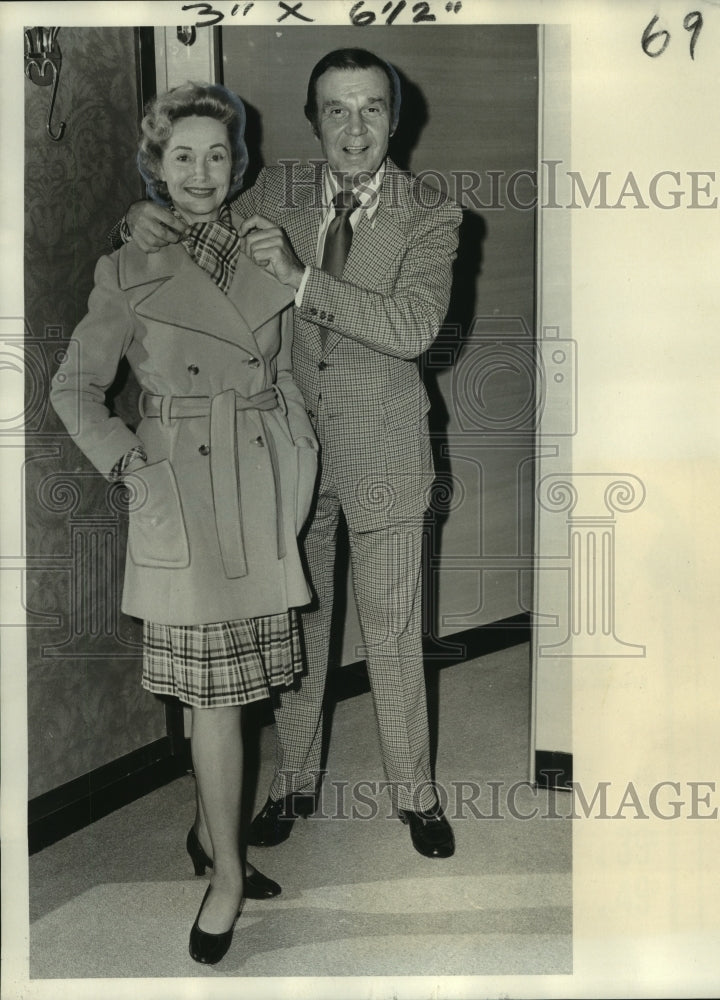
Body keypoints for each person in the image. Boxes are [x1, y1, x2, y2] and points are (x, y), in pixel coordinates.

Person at [121, 48, 462, 859]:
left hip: (385, 456)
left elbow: (414, 330)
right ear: (314, 121)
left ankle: (415, 794)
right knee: (300, 632)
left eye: (370, 108)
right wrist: (136, 219)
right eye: (335, 110)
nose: (353, 128)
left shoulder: (433, 215)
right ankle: (294, 780)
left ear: (394, 117)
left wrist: (305, 281)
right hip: (288, 459)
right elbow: (189, 214)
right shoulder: (273, 192)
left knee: (394, 631)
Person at [51, 82, 319, 965]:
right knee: (215, 699)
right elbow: (72, 389)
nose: (201, 172)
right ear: (155, 169)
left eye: (217, 155)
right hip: (185, 492)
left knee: (242, 693)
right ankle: (229, 878)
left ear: (237, 165)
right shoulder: (125, 267)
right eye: (181, 156)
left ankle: (214, 842)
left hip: (261, 480)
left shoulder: (267, 242)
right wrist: (131, 466)